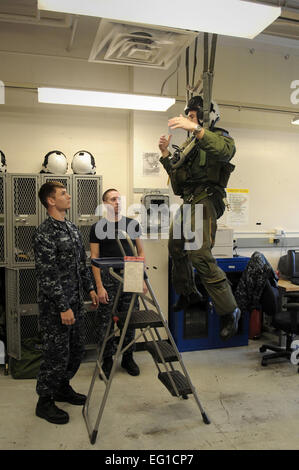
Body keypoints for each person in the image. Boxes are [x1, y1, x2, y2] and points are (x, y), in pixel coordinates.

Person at [158, 95, 240, 341]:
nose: (188, 120)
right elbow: (177, 178)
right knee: (175, 246)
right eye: (188, 116)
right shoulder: (189, 146)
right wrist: (164, 155)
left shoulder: (219, 137)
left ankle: (229, 310)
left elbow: (226, 151)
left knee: (199, 254)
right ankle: (188, 292)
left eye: (192, 116)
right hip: (189, 201)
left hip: (206, 200)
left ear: (206, 116)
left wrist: (196, 128)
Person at [33, 181, 99, 425]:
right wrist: (63, 307)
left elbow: (81, 263)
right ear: (51, 201)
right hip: (56, 307)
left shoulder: (71, 228)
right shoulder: (44, 233)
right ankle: (45, 400)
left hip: (76, 302)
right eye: (63, 194)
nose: (68, 196)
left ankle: (62, 387)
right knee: (56, 355)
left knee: (77, 350)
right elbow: (47, 275)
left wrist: (90, 288)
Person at [90, 188, 146, 379]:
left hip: (130, 276)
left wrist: (141, 278)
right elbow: (94, 258)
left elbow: (140, 252)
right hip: (108, 278)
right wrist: (99, 286)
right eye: (113, 199)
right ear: (105, 204)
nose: (117, 202)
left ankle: (128, 357)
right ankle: (107, 359)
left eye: (119, 199)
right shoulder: (98, 228)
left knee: (130, 319)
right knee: (105, 322)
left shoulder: (131, 224)